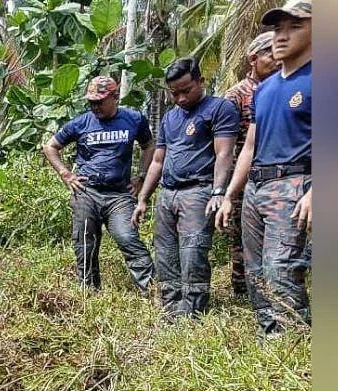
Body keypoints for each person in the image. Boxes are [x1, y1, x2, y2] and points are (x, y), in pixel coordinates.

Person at [215, 0, 312, 336]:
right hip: (256, 186)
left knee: (280, 268)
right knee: (255, 270)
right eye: (277, 28)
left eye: (294, 27)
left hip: (293, 182)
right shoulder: (265, 89)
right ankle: (270, 336)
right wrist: (230, 194)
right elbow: (250, 146)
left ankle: (293, 339)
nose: (280, 37)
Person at [133, 59, 239, 319]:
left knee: (193, 252)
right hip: (168, 193)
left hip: (198, 191)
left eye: (186, 90)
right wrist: (143, 198)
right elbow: (158, 161)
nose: (180, 98)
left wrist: (218, 191)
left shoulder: (219, 108)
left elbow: (224, 153)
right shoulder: (170, 117)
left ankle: (193, 311)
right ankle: (171, 309)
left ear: (200, 82)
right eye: (174, 93)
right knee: (165, 253)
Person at [43, 76, 156, 294]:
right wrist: (66, 174)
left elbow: (149, 145)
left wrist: (141, 176)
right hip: (86, 192)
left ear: (115, 97)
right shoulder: (81, 122)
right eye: (91, 102)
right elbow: (50, 147)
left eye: (100, 101)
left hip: (119, 195)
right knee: (85, 244)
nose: (95, 107)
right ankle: (89, 294)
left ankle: (152, 290)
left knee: (127, 237)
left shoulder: (134, 119)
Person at [222, 32, 279, 298]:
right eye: (270, 54)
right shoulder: (236, 95)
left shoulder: (283, 88)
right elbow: (225, 142)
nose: (277, 59)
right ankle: (242, 289)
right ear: (253, 59)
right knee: (242, 235)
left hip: (278, 174)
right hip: (244, 175)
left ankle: (273, 289)